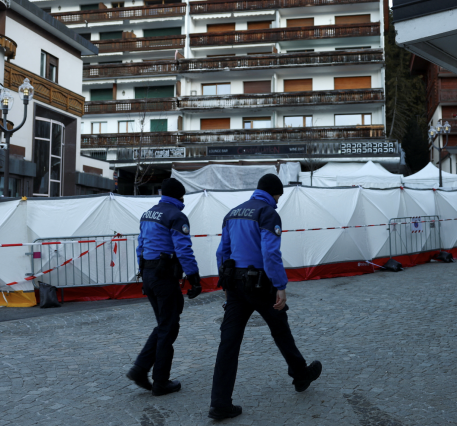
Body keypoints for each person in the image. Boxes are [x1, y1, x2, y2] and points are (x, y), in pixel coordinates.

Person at [208, 174, 322, 420]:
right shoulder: (268, 213)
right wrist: (280, 285)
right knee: (280, 330)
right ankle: (300, 375)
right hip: (261, 285)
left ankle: (219, 402)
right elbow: (270, 253)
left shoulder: (233, 213)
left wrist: (227, 285)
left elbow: (222, 253)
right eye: (279, 196)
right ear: (274, 193)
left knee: (228, 343)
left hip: (236, 286)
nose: (279, 200)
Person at [126, 178, 202, 396]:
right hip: (165, 276)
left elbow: (140, 246)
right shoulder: (176, 216)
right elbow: (183, 250)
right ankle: (160, 381)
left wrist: (143, 273)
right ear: (180, 196)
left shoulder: (148, 214)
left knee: (165, 324)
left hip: (149, 274)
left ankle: (140, 369)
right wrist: (195, 278)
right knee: (168, 326)